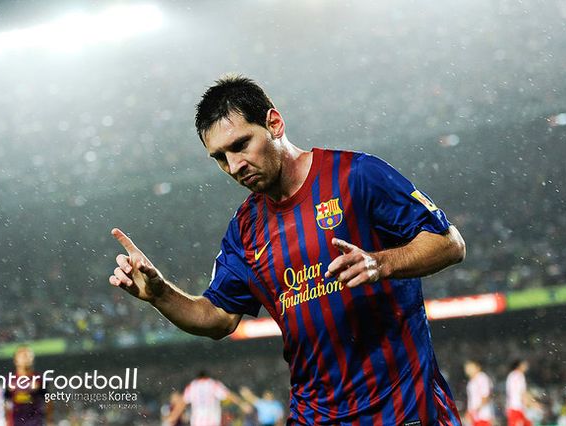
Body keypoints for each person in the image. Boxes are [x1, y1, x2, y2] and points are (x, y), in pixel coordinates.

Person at [109, 75, 466, 424]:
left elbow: (449, 243)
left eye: (240, 145)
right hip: (314, 415)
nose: (234, 166)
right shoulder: (245, 229)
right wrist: (160, 294)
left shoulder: (356, 175)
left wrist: (381, 262)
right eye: (220, 157)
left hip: (403, 410)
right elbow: (217, 318)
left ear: (274, 123)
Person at [166, 370, 247, 426]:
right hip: (212, 421)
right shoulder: (213, 384)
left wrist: (173, 416)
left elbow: (182, 402)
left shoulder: (192, 386)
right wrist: (242, 403)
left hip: (197, 422)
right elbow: (228, 395)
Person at [4, 346, 52, 426]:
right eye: (23, 356)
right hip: (16, 423)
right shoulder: (9, 380)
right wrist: (7, 421)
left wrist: (49, 421)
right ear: (15, 360)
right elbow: (6, 402)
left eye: (28, 356)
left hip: (35, 422)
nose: (25, 359)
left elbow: (49, 401)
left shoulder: (39, 379)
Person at [464, 360, 494, 426]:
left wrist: (474, 410)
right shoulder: (471, 381)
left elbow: (485, 397)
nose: (468, 369)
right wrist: (469, 411)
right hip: (474, 416)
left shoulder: (482, 378)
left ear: (477, 367)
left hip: (483, 415)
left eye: (471, 367)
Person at [506, 360, 532, 426]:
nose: (526, 367)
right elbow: (522, 392)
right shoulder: (519, 375)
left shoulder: (511, 375)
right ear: (519, 366)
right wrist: (528, 403)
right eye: (524, 365)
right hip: (518, 405)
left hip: (512, 405)